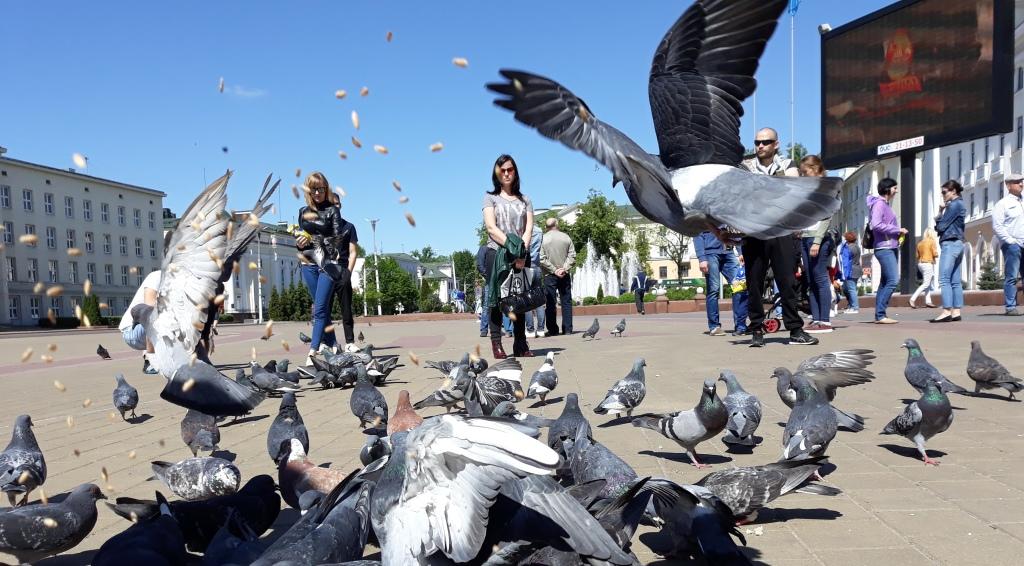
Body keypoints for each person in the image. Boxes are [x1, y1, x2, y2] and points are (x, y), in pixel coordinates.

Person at [740, 127, 818, 346]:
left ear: (776, 144)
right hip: (754, 230)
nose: (760, 146)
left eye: (766, 142)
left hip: (781, 230)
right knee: (754, 282)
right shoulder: (745, 166)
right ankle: (756, 329)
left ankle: (795, 329)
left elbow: (792, 190)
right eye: (757, 142)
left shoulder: (787, 164)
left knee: (787, 281)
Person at [296, 171, 359, 365]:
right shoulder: (302, 212)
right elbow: (302, 242)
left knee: (320, 309)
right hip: (308, 264)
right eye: (314, 189)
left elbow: (336, 240)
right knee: (320, 306)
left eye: (321, 189)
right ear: (308, 190)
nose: (318, 193)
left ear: (326, 189)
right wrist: (299, 243)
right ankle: (333, 345)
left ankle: (312, 352)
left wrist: (315, 240)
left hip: (327, 265)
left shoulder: (333, 211)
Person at [482, 154, 534, 358]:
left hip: (520, 255)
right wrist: (512, 247)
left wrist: (521, 252)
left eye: (509, 169)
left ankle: (520, 343)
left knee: (520, 299)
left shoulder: (525, 200)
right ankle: (496, 343)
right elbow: (491, 227)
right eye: (502, 170)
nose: (506, 173)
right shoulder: (490, 198)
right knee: (496, 299)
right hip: (497, 253)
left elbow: (528, 228)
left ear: (515, 172)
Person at [797, 155, 838, 334]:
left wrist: (817, 241)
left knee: (820, 278)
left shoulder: (827, 187)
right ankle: (816, 319)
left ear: (814, 169)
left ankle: (825, 320)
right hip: (805, 237)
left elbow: (827, 216)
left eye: (805, 172)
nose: (803, 175)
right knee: (811, 280)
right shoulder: (810, 189)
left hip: (818, 239)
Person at [867, 177, 908, 324]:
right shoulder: (879, 204)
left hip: (889, 246)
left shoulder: (884, 204)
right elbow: (876, 224)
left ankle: (880, 315)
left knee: (885, 282)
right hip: (885, 247)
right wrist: (897, 230)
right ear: (887, 189)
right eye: (894, 188)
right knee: (892, 280)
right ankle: (880, 315)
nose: (896, 191)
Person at [694, 230, 747, 335]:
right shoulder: (704, 219)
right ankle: (714, 326)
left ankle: (740, 326)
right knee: (714, 289)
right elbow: (697, 234)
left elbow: (734, 230)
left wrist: (741, 252)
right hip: (710, 253)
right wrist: (702, 258)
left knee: (739, 287)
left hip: (728, 252)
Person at [931, 180, 966, 323]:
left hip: (950, 243)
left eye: (944, 192)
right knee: (955, 281)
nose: (943, 195)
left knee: (944, 279)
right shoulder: (959, 204)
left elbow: (940, 227)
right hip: (958, 243)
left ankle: (946, 311)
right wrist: (941, 212)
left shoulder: (954, 205)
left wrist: (940, 213)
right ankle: (956, 311)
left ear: (953, 191)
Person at [992, 172, 1024, 316]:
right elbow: (997, 226)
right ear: (1008, 185)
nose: (1021, 184)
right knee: (1012, 276)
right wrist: (1010, 241)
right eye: (1017, 182)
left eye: (1022, 181)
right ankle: (1010, 307)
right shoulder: (1002, 204)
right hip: (1012, 245)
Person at [119, 269, 161, 374]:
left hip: (146, 332)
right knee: (155, 315)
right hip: (132, 330)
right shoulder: (157, 276)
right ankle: (150, 360)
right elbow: (149, 310)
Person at [539, 217, 576, 335]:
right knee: (566, 302)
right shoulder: (566, 237)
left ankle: (552, 330)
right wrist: (564, 268)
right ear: (557, 224)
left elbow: (541, 258)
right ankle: (568, 329)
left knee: (550, 302)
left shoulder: (543, 239)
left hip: (549, 274)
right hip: (564, 274)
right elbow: (572, 256)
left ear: (546, 227)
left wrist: (554, 270)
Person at [525, 224, 546, 338]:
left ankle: (530, 330)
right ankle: (541, 329)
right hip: (537, 267)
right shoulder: (539, 230)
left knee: (527, 300)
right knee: (538, 300)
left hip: (526, 267)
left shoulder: (522, 230)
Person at [909, 229, 939, 309]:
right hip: (928, 263)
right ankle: (912, 299)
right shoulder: (932, 241)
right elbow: (935, 254)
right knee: (926, 284)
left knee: (927, 283)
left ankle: (928, 301)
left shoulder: (920, 243)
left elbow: (917, 256)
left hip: (920, 264)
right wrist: (936, 254)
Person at [838, 231, 861, 313]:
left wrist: (844, 272)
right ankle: (851, 306)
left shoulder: (848, 248)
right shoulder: (857, 246)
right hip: (857, 269)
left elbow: (846, 261)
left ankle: (854, 307)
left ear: (847, 239)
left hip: (850, 270)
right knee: (849, 288)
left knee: (851, 289)